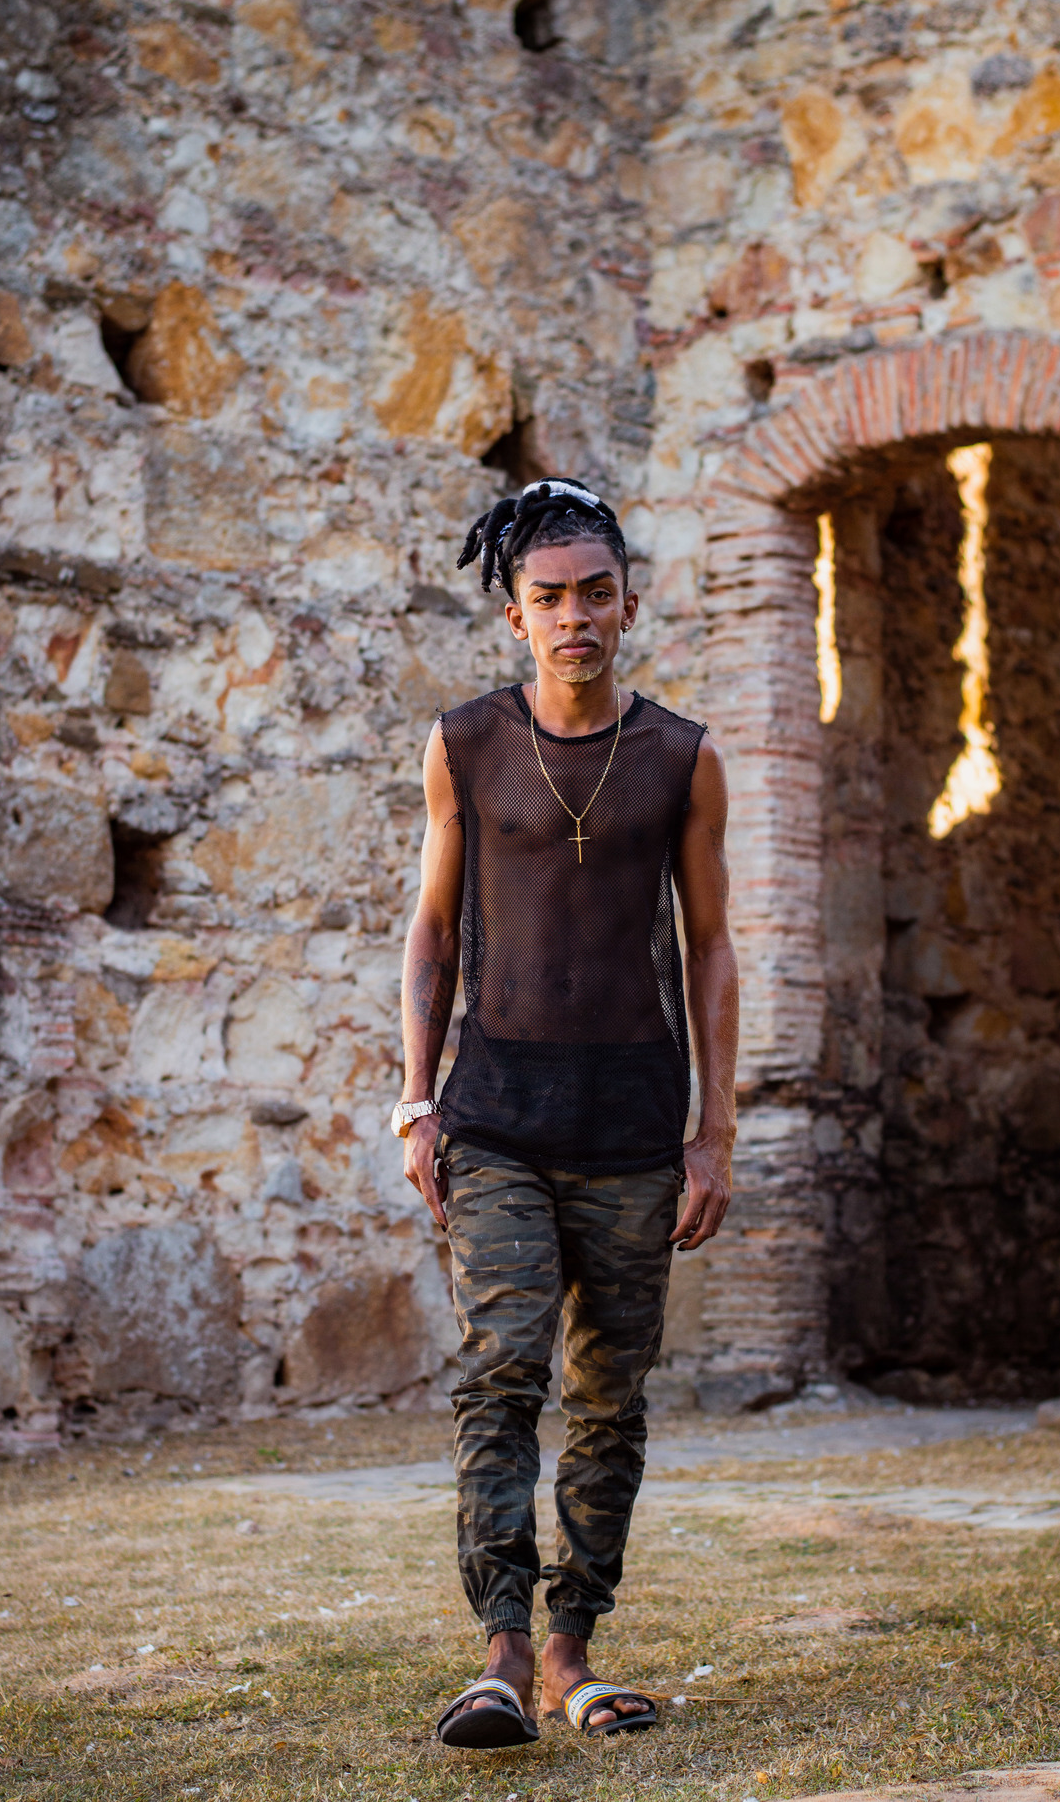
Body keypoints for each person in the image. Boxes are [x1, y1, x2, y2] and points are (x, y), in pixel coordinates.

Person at [393, 477, 738, 1748]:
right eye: (550, 597)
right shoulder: (468, 743)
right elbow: (432, 929)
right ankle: (494, 1655)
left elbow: (711, 945)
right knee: (502, 1371)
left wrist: (716, 1129)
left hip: (636, 1123)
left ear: (629, 601)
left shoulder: (681, 756)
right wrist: (416, 1100)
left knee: (610, 1394)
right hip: (494, 1116)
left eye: (596, 592)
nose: (576, 615)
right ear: (513, 615)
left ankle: (570, 1651)